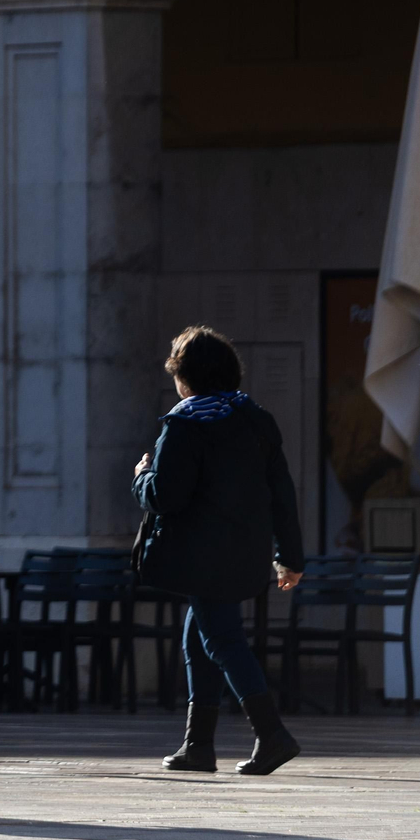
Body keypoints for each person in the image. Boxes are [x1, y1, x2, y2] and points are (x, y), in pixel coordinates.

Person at [135, 325, 306, 777]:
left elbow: (166, 496)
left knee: (223, 641)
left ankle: (272, 735)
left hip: (202, 558)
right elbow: (282, 494)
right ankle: (198, 745)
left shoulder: (186, 422)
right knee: (199, 636)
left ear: (184, 377)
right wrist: (290, 556)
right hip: (245, 554)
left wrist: (141, 477)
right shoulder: (256, 419)